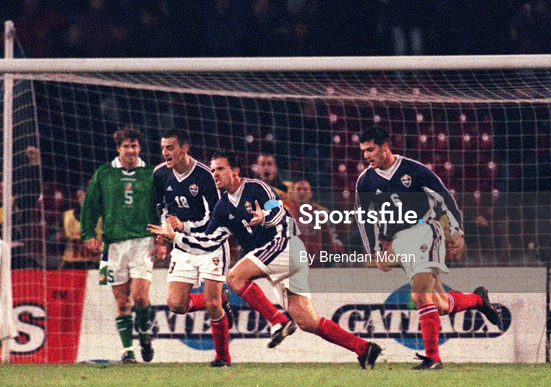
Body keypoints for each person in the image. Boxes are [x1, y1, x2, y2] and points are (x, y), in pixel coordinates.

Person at [150, 151, 382, 369]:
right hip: (275, 260)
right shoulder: (221, 208)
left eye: (220, 169)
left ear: (236, 171)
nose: (215, 174)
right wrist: (177, 237)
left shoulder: (257, 188)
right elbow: (208, 241)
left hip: (286, 246)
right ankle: (363, 348)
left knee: (234, 276)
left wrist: (265, 217)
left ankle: (278, 320)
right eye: (212, 171)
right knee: (307, 321)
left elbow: (279, 210)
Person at [354, 127, 499, 370]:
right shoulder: (365, 181)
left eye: (370, 149)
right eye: (363, 151)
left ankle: (433, 358)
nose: (366, 156)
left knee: (419, 295)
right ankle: (478, 300)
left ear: (385, 147)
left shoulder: (413, 170)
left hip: (424, 231)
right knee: (439, 304)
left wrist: (456, 231)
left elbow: (445, 197)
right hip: (399, 242)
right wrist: (375, 251)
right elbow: (364, 218)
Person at [151, 129, 234, 367]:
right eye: (163, 148)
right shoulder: (160, 174)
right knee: (176, 305)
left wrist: (183, 226)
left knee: (212, 304)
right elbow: (161, 206)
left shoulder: (205, 176)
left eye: (170, 148)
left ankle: (222, 357)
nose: (165, 153)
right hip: (183, 247)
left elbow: (214, 217)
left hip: (210, 245)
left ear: (184, 148)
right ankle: (221, 296)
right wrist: (165, 229)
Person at [80, 127, 158, 364]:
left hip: (143, 242)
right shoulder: (104, 173)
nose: (131, 151)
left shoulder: (151, 173)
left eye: (134, 146)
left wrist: (162, 240)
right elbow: (90, 206)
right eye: (126, 146)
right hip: (113, 245)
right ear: (118, 148)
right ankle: (128, 351)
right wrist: (88, 234)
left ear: (140, 148)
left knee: (140, 298)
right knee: (122, 301)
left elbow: (162, 207)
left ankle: (144, 336)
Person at [283, 177, 345, 264]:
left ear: (311, 193)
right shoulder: (284, 216)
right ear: (292, 193)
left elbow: (333, 240)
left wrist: (336, 252)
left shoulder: (321, 215)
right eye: (298, 189)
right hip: (292, 267)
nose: (302, 192)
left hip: (316, 267)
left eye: (305, 189)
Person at [58, 189, 101, 269]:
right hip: (71, 264)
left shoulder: (102, 218)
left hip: (95, 264)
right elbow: (51, 240)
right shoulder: (66, 216)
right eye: (80, 196)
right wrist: (59, 238)